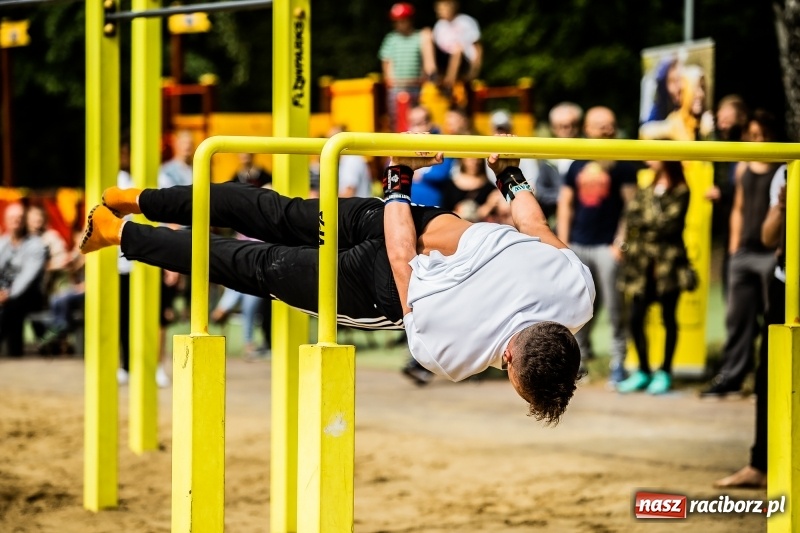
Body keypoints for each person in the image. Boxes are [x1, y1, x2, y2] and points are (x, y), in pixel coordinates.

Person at [80, 143, 596, 424]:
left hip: (421, 222)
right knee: (256, 265)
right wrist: (395, 175)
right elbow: (400, 261)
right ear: (509, 361)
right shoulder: (454, 354)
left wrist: (508, 174)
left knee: (275, 212)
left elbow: (535, 226)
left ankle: (133, 198)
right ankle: (118, 231)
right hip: (379, 280)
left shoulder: (576, 293)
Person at [713, 164, 787, 489]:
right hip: (787, 283)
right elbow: (768, 235)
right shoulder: (787, 171)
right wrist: (783, 205)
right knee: (768, 374)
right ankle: (760, 463)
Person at [556, 106, 638, 385]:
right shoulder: (576, 163)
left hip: (607, 247)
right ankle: (577, 362)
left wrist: (621, 243)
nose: (605, 129)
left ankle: (618, 362)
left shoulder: (623, 163)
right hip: (578, 244)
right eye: (599, 125)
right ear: (587, 129)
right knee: (577, 306)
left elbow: (631, 206)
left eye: (610, 124)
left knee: (615, 308)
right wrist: (563, 244)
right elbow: (565, 204)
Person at [702, 111, 780, 397]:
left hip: (772, 254)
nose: (758, 141)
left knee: (774, 319)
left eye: (763, 136)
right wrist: (735, 248)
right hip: (744, 252)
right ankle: (732, 375)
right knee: (737, 319)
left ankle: (770, 378)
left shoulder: (784, 166)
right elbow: (738, 206)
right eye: (753, 136)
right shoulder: (744, 166)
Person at [615, 161, 692, 395]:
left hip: (668, 267)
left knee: (668, 318)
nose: (650, 161)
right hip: (641, 267)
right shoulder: (647, 187)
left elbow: (665, 224)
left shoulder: (681, 190)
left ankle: (665, 371)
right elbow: (631, 214)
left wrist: (642, 218)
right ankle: (643, 370)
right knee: (635, 318)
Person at [378, 2, 436, 132]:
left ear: (410, 20)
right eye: (397, 21)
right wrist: (390, 79)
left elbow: (425, 61)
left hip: (416, 86)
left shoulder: (418, 37)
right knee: (396, 118)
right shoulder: (391, 38)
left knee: (418, 116)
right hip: (397, 87)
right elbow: (387, 61)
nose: (400, 24)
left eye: (403, 21)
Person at [0, 203, 48, 357]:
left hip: (28, 296)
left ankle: (14, 353)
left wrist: (8, 294)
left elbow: (27, 277)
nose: (16, 222)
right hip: (3, 294)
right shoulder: (2, 244)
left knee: (13, 306)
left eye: (19, 218)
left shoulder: (36, 245)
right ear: (5, 220)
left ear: (24, 221)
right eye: (12, 218)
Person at [431, 0, 482, 94]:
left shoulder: (466, 21)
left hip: (465, 60)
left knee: (457, 50)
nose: (440, 11)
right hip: (445, 58)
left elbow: (477, 47)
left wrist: (475, 69)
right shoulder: (439, 26)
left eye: (443, 8)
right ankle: (433, 78)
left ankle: (448, 85)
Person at [548, 102, 584, 179]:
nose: (567, 130)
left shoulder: (589, 156)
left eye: (573, 125)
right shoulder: (546, 159)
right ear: (553, 128)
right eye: (562, 126)